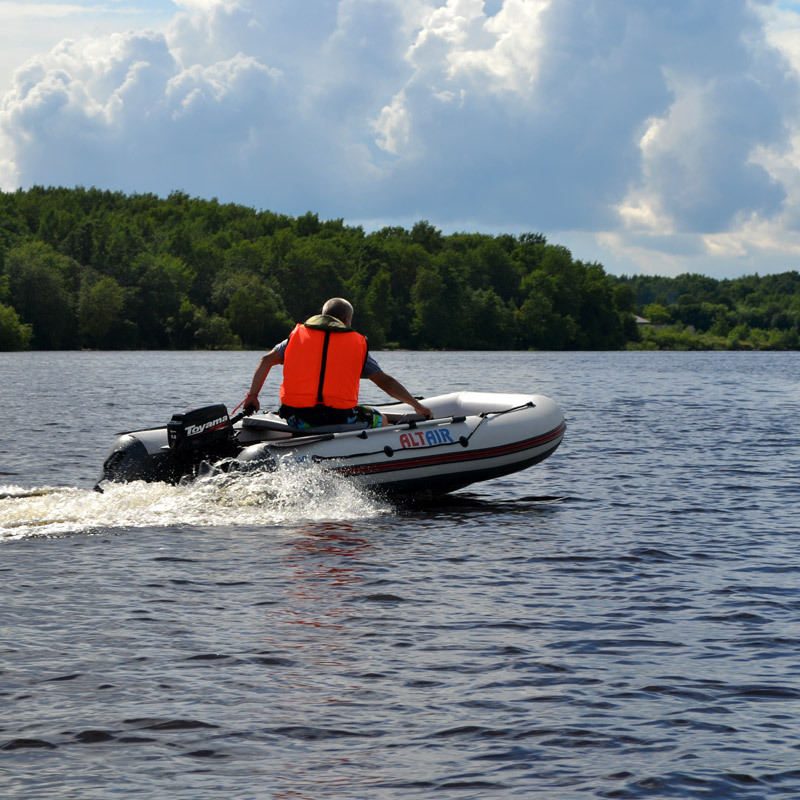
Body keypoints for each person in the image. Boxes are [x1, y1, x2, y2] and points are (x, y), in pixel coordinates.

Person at [243, 297, 433, 429]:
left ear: (323, 315)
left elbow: (266, 360)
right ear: (347, 319)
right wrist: (416, 405)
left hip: (296, 417)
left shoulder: (295, 338)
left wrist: (253, 396)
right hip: (337, 417)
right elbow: (385, 382)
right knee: (381, 419)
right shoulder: (355, 344)